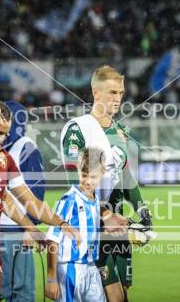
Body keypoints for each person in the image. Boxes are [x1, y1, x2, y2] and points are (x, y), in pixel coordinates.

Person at [0, 91, 80, 301]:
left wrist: (57, 224)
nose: (1, 122)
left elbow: (21, 200)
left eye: (1, 115)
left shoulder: (1, 156)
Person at [60, 65, 149, 302]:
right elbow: (76, 183)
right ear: (95, 93)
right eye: (111, 92)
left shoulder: (121, 130)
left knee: (124, 292)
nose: (117, 98)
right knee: (112, 294)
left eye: (120, 93)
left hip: (118, 225)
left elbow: (126, 176)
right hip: (92, 225)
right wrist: (105, 215)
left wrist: (142, 211)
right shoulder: (77, 129)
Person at [0, 101, 46, 302]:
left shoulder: (25, 146)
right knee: (3, 289)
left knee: (22, 290)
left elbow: (36, 189)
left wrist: (31, 226)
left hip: (18, 230)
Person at [45, 147, 107, 302]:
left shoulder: (96, 199)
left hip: (90, 267)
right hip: (70, 269)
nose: (87, 181)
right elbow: (52, 239)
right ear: (78, 171)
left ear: (102, 174)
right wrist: (51, 279)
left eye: (93, 177)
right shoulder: (69, 200)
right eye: (84, 175)